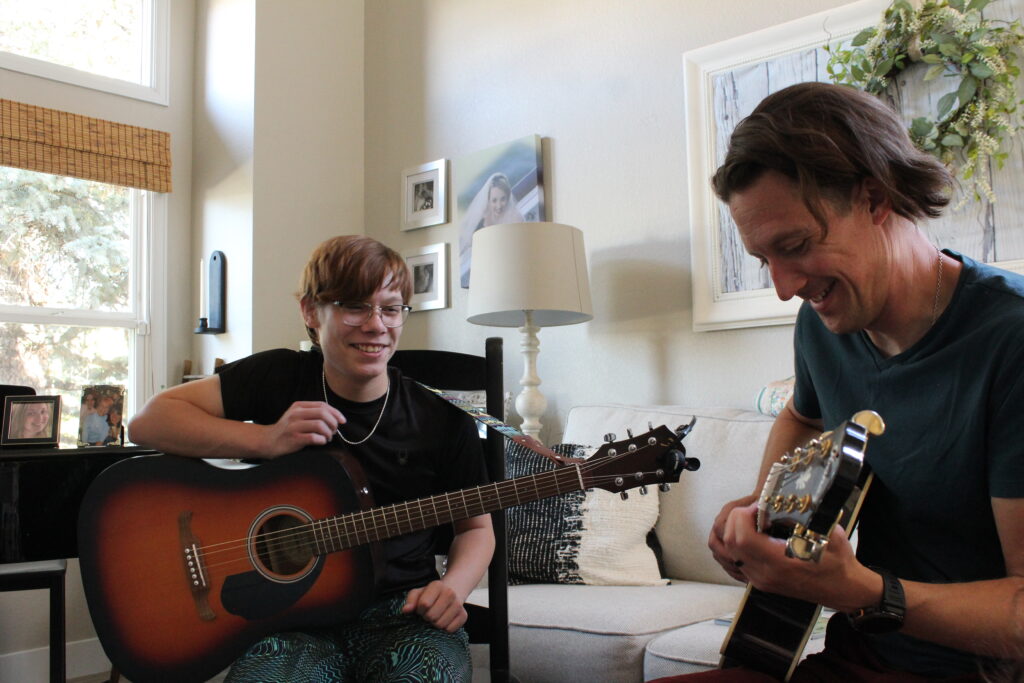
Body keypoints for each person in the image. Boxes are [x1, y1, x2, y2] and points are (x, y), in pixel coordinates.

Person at [655, 82, 1024, 682]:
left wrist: (866, 592)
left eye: (795, 246)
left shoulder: (1009, 341)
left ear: (875, 197)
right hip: (857, 657)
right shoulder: (824, 324)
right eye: (763, 259)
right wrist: (763, 506)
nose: (782, 286)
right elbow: (802, 415)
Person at [128, 235, 495, 682]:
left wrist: (453, 588)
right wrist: (265, 440)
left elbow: (476, 527)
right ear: (310, 311)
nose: (377, 325)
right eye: (355, 306)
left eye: (391, 308)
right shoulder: (278, 376)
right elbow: (149, 421)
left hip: (404, 613)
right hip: (288, 618)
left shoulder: (441, 418)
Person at [459, 172, 524, 288]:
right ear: (488, 201)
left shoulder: (516, 218)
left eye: (503, 199)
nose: (499, 205)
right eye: (494, 200)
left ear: (508, 197)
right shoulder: (481, 219)